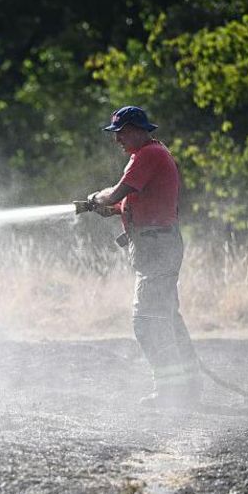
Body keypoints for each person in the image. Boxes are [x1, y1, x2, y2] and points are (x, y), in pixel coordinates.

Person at [85, 106, 201, 408]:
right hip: (157, 245)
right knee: (167, 318)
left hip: (157, 247)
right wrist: (110, 207)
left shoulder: (148, 155)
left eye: (121, 133)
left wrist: (98, 199)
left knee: (146, 321)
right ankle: (187, 386)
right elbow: (127, 202)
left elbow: (114, 195)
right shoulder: (150, 155)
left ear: (137, 129)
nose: (117, 140)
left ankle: (170, 392)